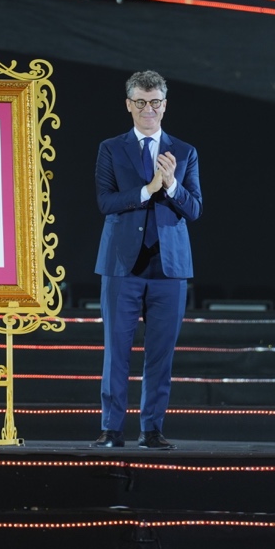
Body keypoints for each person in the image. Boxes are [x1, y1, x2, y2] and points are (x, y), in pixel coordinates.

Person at [91, 70, 202, 449]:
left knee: (160, 355)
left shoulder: (184, 152)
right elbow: (105, 202)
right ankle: (111, 429)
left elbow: (195, 208)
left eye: (155, 102)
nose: (148, 109)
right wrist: (147, 189)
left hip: (169, 268)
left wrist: (171, 185)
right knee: (116, 351)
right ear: (129, 104)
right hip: (121, 266)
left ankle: (152, 429)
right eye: (140, 102)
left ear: (164, 105)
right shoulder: (111, 148)